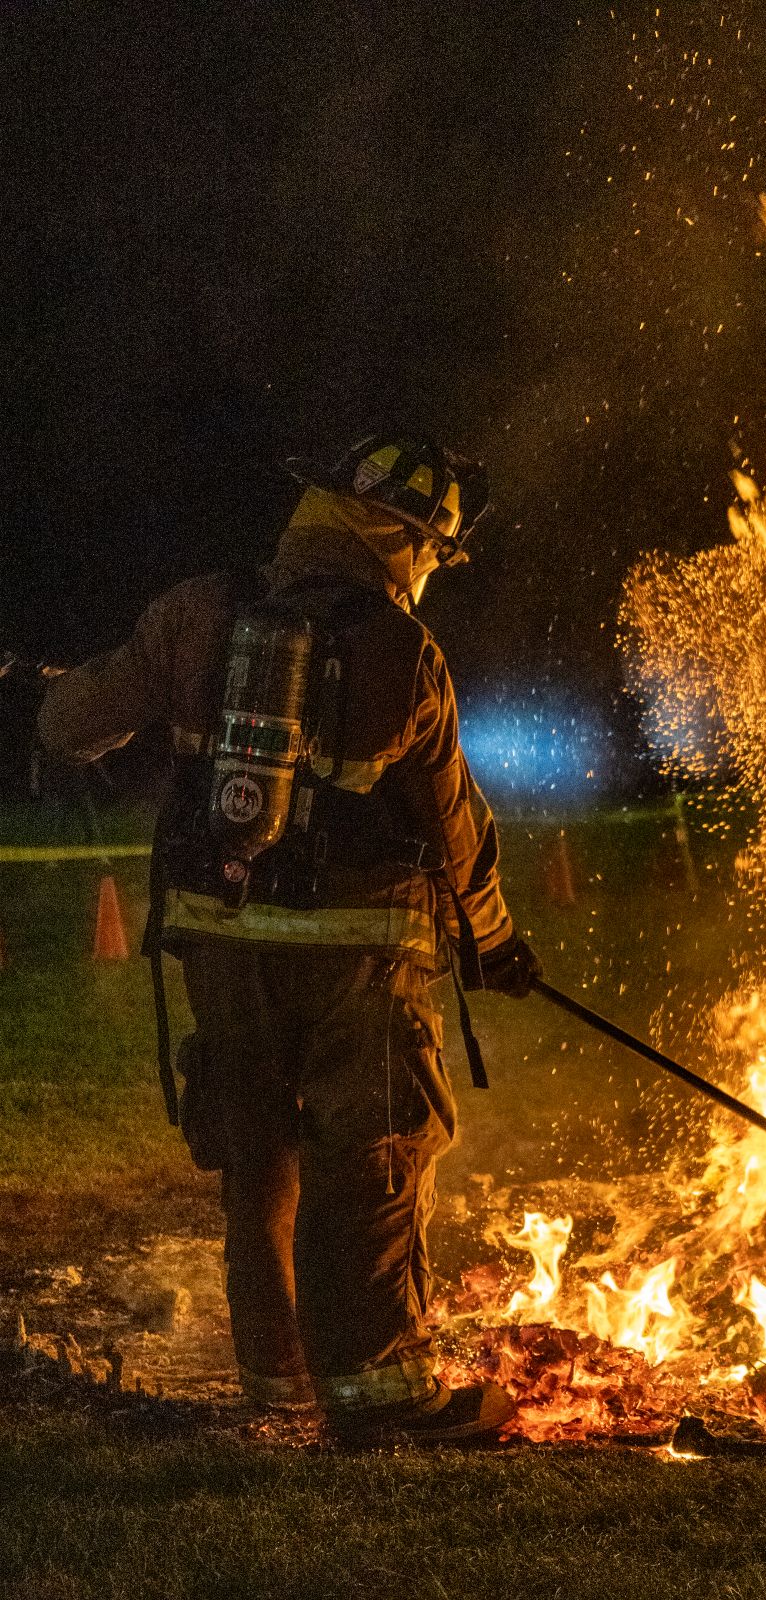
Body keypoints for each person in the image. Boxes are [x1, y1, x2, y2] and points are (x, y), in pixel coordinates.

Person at [37, 434, 542, 1445]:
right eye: (434, 552)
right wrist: (493, 940)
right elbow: (454, 832)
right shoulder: (403, 650)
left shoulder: (196, 611)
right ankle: (384, 1399)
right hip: (359, 960)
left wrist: (122, 699)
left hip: (222, 953)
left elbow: (67, 725)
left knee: (258, 1156)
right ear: (399, 536)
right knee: (372, 1158)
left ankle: (279, 1386)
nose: (431, 571)